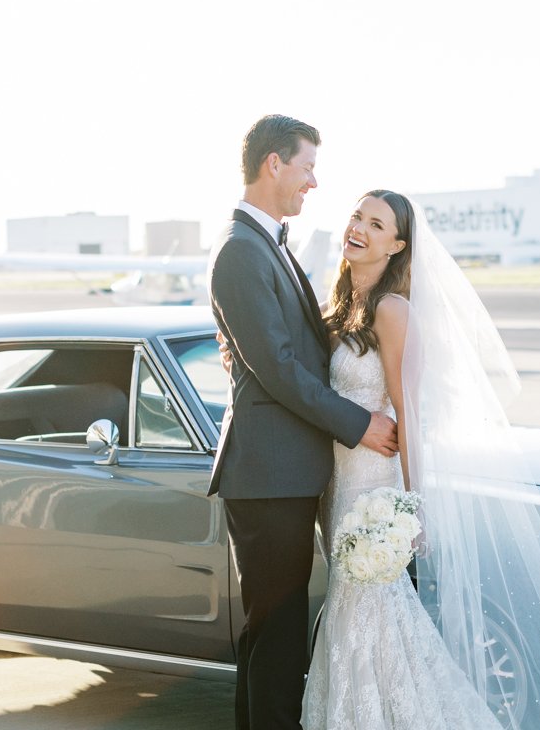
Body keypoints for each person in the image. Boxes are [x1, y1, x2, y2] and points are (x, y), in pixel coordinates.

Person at [302, 190, 540, 730]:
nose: (358, 229)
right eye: (356, 217)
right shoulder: (338, 309)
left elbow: (409, 412)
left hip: (373, 492)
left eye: (376, 223)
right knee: (356, 618)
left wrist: (414, 506)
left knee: (371, 616)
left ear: (398, 245)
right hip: (336, 489)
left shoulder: (393, 311)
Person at [208, 115, 399, 730]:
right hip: (267, 478)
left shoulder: (272, 245)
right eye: (307, 167)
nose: (313, 182)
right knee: (277, 635)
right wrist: (359, 424)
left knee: (274, 635)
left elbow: (303, 353)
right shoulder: (241, 252)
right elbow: (280, 369)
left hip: (290, 474)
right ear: (274, 164)